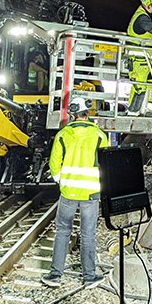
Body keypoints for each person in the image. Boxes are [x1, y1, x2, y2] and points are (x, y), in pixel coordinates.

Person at [43, 97, 109, 288]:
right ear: (87, 115)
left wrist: (61, 181)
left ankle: (55, 276)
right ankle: (89, 277)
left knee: (62, 232)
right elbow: (106, 163)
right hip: (91, 193)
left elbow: (54, 164)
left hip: (68, 193)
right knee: (88, 235)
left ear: (72, 115)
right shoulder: (99, 136)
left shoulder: (63, 135)